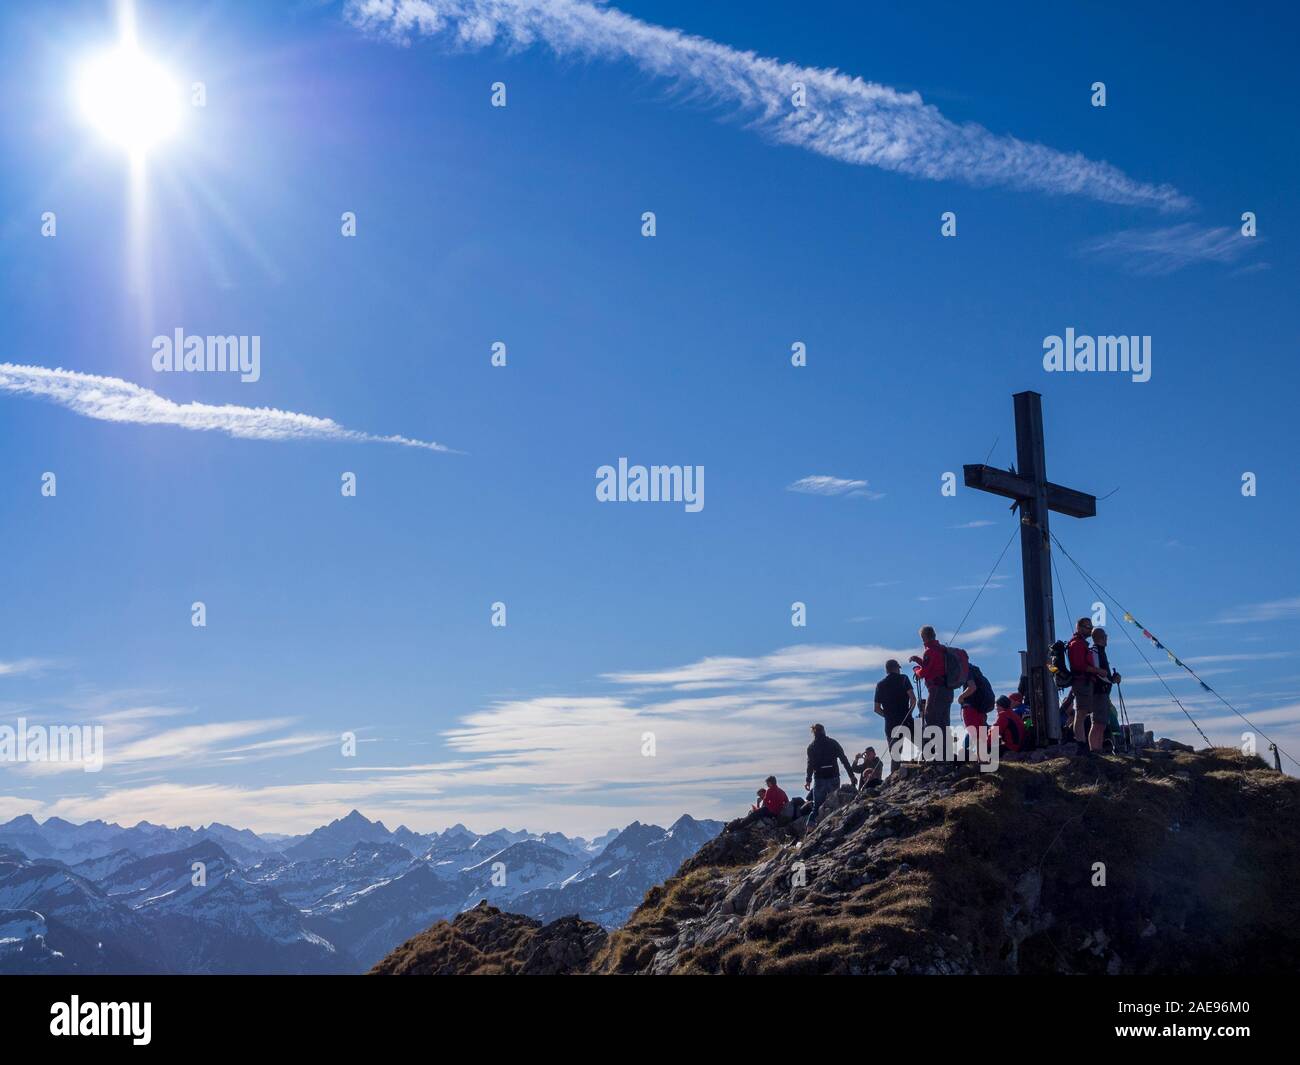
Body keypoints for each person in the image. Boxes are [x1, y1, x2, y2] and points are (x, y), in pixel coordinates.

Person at [909, 625, 955, 745]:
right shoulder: (942, 649)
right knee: (944, 721)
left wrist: (916, 670)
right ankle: (945, 755)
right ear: (934, 635)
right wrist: (918, 660)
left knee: (931, 719)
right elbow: (934, 666)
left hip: (936, 690)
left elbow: (924, 672)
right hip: (948, 689)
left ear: (923, 637)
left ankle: (935, 752)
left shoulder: (930, 651)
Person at [1068, 617, 1108, 752]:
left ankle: (1084, 745)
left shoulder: (1082, 644)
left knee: (1083, 713)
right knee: (1080, 714)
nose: (1089, 630)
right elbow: (1079, 665)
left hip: (1085, 682)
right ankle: (1081, 745)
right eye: (1087, 627)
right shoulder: (1077, 644)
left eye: (1091, 627)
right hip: (1081, 682)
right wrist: (1098, 671)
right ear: (1078, 627)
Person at [805, 723, 856, 825]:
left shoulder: (811, 747)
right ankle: (835, 826)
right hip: (833, 776)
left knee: (816, 807)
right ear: (824, 731)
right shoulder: (833, 743)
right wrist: (851, 775)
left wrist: (808, 780)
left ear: (814, 733)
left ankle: (810, 830)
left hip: (819, 778)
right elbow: (844, 759)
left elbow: (810, 765)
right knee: (835, 804)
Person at [874, 659, 917, 756]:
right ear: (897, 668)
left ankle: (895, 770)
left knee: (895, 756)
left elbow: (876, 709)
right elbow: (913, 699)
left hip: (890, 725)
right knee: (924, 746)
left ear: (887, 670)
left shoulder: (880, 685)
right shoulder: (904, 679)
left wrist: (888, 716)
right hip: (907, 720)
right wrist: (909, 713)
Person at [957, 662, 996, 759]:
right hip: (981, 708)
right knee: (981, 733)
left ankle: (981, 760)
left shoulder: (967, 671)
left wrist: (961, 697)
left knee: (974, 734)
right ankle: (983, 759)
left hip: (970, 707)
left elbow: (972, 687)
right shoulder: (978, 674)